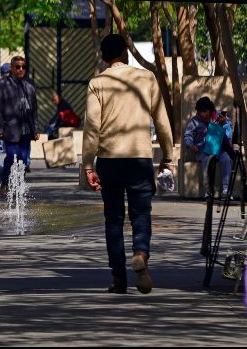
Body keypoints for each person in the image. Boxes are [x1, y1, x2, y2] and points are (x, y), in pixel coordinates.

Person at [82, 34, 174, 295]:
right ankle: (141, 254)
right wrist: (168, 156)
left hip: (110, 161)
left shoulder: (97, 82)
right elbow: (162, 120)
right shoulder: (146, 78)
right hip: (139, 158)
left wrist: (88, 165)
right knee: (141, 213)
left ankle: (118, 278)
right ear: (125, 52)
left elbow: (92, 127)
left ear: (103, 57)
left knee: (113, 219)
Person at [0, 56, 39, 196]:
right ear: (11, 68)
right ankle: (5, 182)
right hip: (10, 129)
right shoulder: (2, 84)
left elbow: (34, 109)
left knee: (24, 159)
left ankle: (19, 185)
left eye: (23, 66)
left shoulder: (29, 85)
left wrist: (35, 129)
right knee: (11, 156)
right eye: (17, 67)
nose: (21, 69)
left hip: (26, 129)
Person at [184, 97, 234, 200]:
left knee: (226, 159)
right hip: (203, 149)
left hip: (219, 148)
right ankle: (208, 192)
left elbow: (229, 131)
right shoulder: (195, 120)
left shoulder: (219, 116)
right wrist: (191, 145)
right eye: (200, 112)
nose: (202, 115)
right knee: (207, 160)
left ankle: (226, 191)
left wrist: (225, 126)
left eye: (205, 112)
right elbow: (187, 135)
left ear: (210, 110)